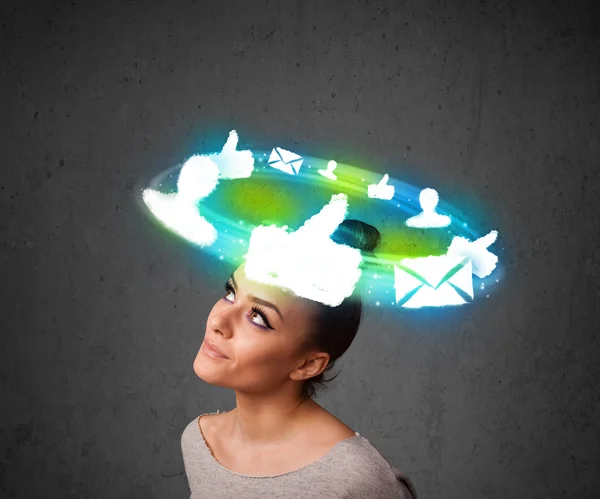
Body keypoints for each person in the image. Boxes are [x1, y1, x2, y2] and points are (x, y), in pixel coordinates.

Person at [181, 219, 417, 498]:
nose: (218, 320)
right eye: (231, 293)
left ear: (308, 364)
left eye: (258, 317)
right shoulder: (198, 442)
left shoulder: (356, 479)